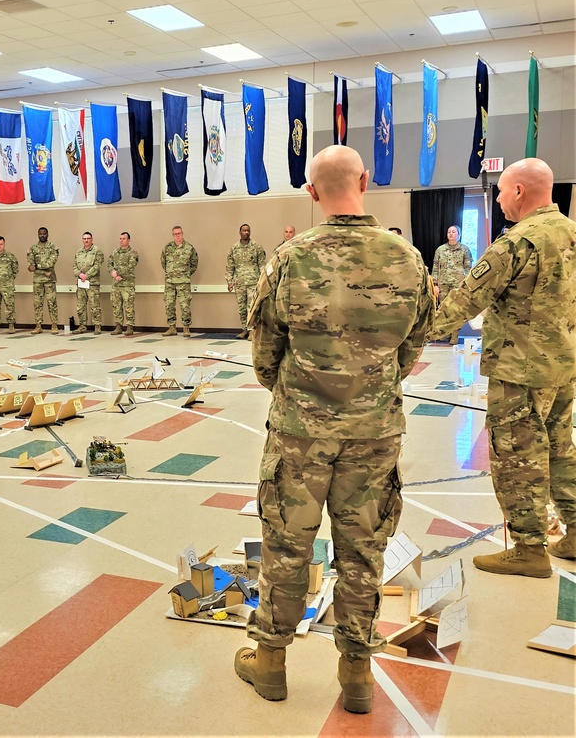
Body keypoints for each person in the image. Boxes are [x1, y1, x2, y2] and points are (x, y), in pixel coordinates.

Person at [236, 145, 433, 714]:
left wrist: (299, 391)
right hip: (375, 430)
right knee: (363, 550)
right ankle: (356, 674)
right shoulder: (407, 257)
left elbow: (265, 349)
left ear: (311, 191)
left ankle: (271, 662)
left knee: (287, 544)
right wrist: (373, 382)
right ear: (365, 181)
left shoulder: (291, 258)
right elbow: (414, 342)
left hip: (300, 429)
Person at [430, 158, 576, 575]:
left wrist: (410, 336)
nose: (497, 198)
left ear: (517, 191)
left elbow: (465, 299)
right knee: (561, 450)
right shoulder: (570, 233)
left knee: (517, 457)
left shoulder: (517, 242)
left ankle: (529, 548)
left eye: (500, 191)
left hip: (520, 370)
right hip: (563, 366)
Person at [432, 225, 473, 345]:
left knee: (455, 310)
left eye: (453, 232)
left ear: (458, 235)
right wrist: (435, 284)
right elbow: (435, 268)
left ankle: (454, 335)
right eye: (449, 231)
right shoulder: (440, 250)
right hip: (443, 283)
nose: (451, 234)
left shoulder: (464, 249)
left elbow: (468, 268)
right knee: (443, 309)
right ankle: (444, 334)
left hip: (458, 284)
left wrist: (467, 284)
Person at [226, 224, 267, 340]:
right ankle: (244, 329)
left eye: (248, 230)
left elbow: (262, 265)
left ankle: (252, 331)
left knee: (252, 307)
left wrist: (262, 281)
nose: (246, 232)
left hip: (253, 282)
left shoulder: (256, 247)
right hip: (239, 283)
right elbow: (230, 266)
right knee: (242, 308)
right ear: (240, 232)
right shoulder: (234, 248)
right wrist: (229, 281)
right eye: (244, 230)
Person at [160, 225, 198, 337]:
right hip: (170, 282)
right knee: (169, 304)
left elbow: (194, 263)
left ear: (182, 234)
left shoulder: (189, 248)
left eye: (179, 233)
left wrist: (185, 274)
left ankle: (186, 328)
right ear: (173, 235)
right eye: (175, 234)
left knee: (185, 306)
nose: (177, 235)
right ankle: (172, 328)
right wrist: (170, 273)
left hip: (183, 282)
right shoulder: (167, 248)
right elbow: (163, 262)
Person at [27, 226, 60, 334]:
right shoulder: (33, 248)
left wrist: (36, 267)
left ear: (47, 234)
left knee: (52, 303)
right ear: (38, 235)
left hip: (50, 280)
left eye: (44, 233)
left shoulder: (53, 247)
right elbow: (31, 266)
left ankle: (54, 325)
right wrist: (43, 270)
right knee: (37, 303)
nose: (42, 235)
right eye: (40, 233)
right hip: (37, 281)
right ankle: (38, 325)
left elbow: (51, 263)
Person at [73, 231, 104, 335]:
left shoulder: (97, 251)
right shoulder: (78, 252)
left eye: (88, 238)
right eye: (84, 239)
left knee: (94, 305)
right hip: (81, 283)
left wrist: (87, 275)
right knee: (80, 306)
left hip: (92, 283)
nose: (86, 240)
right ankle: (82, 326)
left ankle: (97, 326)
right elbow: (74, 267)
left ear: (92, 239)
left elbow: (97, 265)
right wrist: (80, 275)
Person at [108, 231, 139, 336]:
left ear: (129, 240)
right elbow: (109, 264)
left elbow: (131, 266)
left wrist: (118, 273)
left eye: (124, 239)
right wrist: (113, 273)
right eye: (120, 238)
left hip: (127, 284)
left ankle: (130, 326)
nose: (121, 240)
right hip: (116, 284)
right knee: (116, 305)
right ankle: (118, 326)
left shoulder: (133, 252)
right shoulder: (115, 252)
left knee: (128, 306)